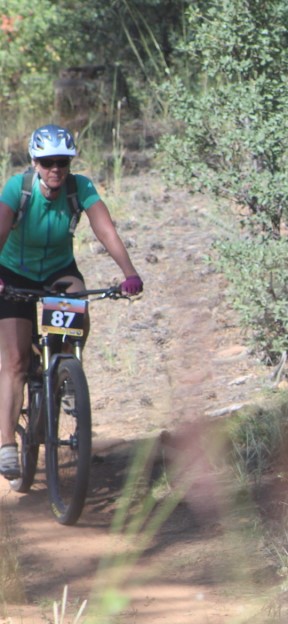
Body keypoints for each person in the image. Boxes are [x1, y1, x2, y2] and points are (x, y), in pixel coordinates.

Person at [0, 124, 143, 478]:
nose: (56, 170)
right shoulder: (19, 189)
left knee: (79, 305)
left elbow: (104, 229)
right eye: (48, 162)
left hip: (58, 270)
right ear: (35, 162)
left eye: (62, 162)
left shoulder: (80, 188)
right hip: (14, 273)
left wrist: (129, 272)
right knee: (15, 361)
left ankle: (65, 374)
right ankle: (6, 445)